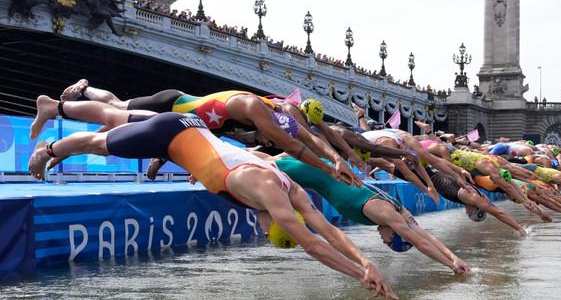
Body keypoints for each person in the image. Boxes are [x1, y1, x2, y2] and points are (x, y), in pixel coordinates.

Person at [28, 109, 397, 300]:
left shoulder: (292, 189)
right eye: (267, 229)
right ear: (277, 221)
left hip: (192, 133)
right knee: (97, 141)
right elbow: (314, 242)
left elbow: (329, 229)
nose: (259, 228)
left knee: (112, 123)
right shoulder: (267, 189)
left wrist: (366, 260)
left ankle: (58, 147)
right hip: (172, 132)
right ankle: (48, 149)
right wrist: (361, 274)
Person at [41, 85, 360, 186]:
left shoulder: (283, 112)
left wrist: (333, 158)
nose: (272, 138)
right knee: (114, 109)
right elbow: (294, 144)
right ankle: (82, 91)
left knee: (116, 122)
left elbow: (306, 139)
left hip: (186, 120)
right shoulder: (256, 108)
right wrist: (331, 169)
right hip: (172, 104)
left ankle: (61, 148)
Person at [271, 155, 473, 273]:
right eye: (387, 242)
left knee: (262, 158)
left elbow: (426, 236)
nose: (381, 240)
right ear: (395, 234)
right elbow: (421, 243)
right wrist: (450, 265)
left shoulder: (401, 211)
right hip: (311, 172)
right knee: (259, 166)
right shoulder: (386, 214)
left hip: (320, 168)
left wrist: (454, 258)